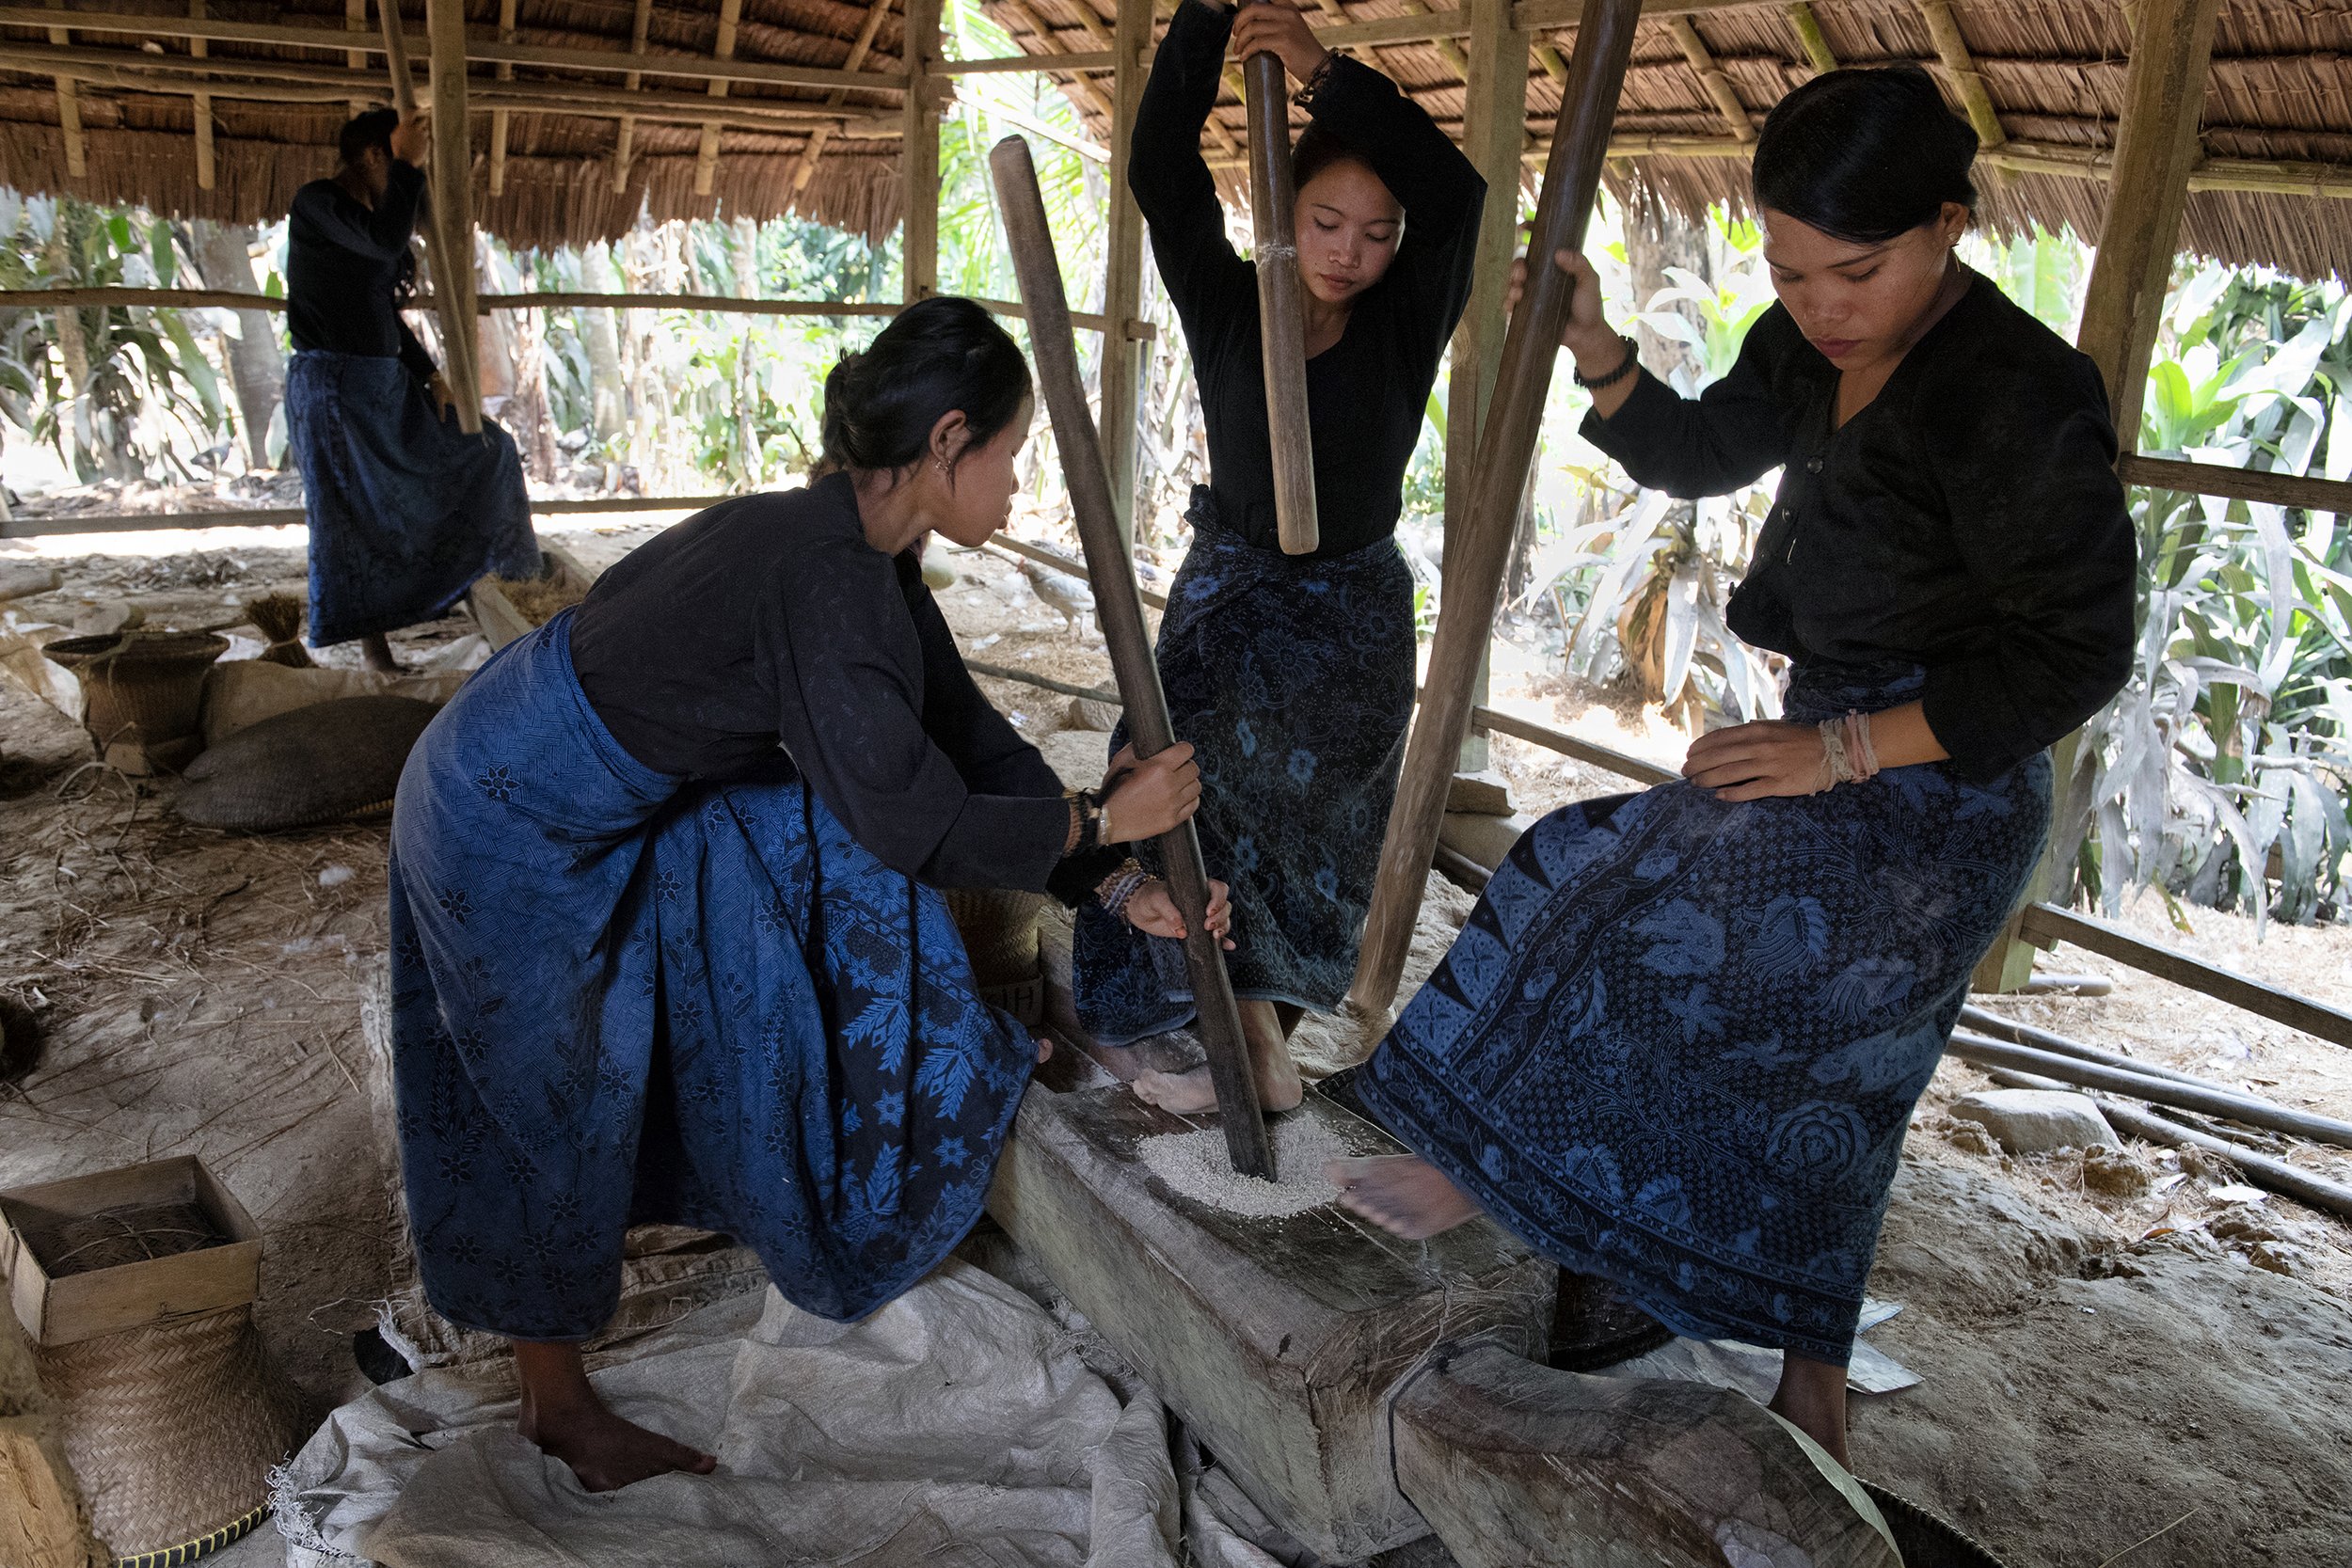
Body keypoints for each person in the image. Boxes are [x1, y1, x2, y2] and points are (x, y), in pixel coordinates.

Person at [1328, 65, 2137, 1466]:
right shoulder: (1812, 341)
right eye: (1791, 270)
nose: (1822, 304)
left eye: (1857, 270)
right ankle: (1533, 1192)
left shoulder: (2020, 394)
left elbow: (2074, 656)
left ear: (1950, 222)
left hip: (1941, 789)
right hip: (1821, 741)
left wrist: (1841, 750)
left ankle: (1553, 1204)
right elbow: (1703, 449)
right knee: (1577, 863)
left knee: (1785, 1023)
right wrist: (1597, 350)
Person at [388, 298, 1231, 1492]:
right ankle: (556, 1400)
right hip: (504, 795)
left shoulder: (865, 550)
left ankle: (776, 1140)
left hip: (569, 768)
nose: (1015, 484)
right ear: (947, 442)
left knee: (769, 863)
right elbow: (911, 821)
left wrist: (1114, 877)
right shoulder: (824, 574)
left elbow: (967, 740)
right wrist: (1101, 816)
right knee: (539, 1078)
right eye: (1010, 456)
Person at [1073, 0, 1485, 1114]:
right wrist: (1205, 23)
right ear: (1285, 210)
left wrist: (1320, 72)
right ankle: (1232, 1031)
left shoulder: (1404, 321)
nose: (1350, 252)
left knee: (1309, 837)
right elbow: (1161, 169)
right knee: (1167, 778)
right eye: (1326, 221)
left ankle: (1259, 1033)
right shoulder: (1226, 298)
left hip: (1350, 625)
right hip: (1234, 597)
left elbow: (1460, 196)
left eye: (1375, 232)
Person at [285, 107, 537, 672]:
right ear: (376, 155)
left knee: (488, 451)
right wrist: (407, 165)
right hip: (333, 390)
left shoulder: (374, 216)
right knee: (347, 512)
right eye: (402, 160)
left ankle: (512, 603)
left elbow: (382, 310)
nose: (409, 174)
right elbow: (382, 241)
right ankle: (375, 651)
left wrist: (430, 373)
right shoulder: (318, 204)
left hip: (383, 384)